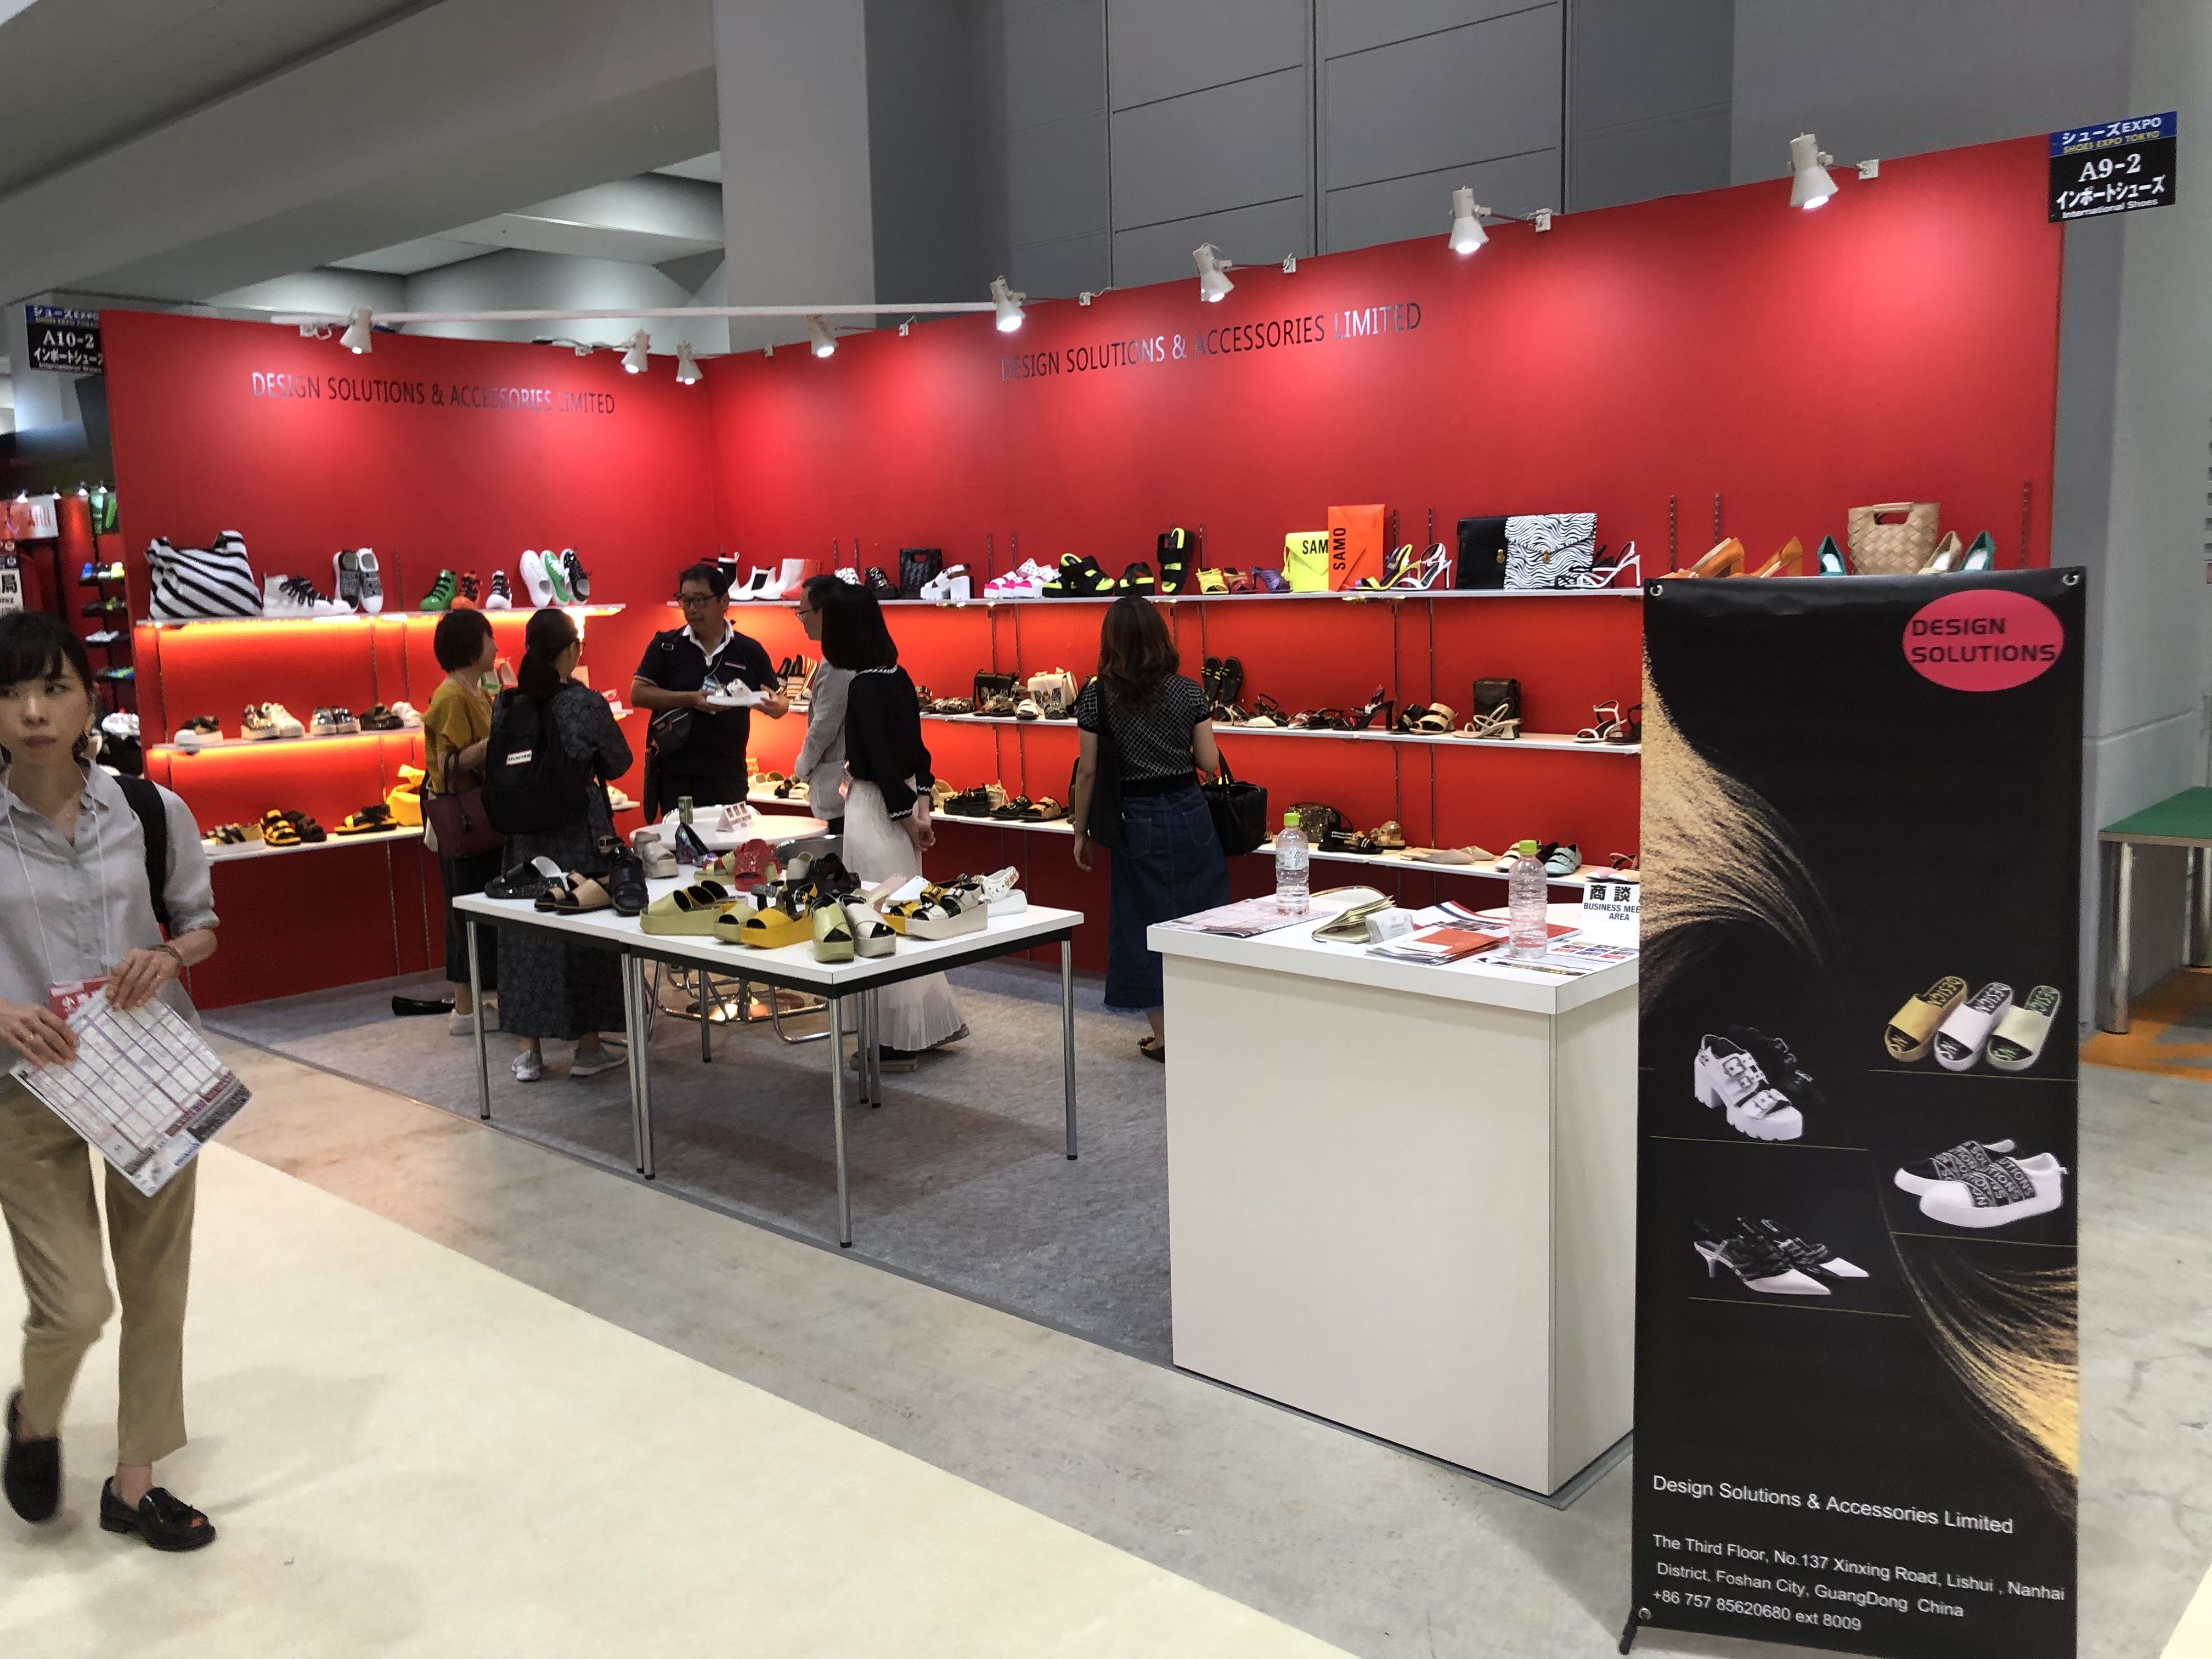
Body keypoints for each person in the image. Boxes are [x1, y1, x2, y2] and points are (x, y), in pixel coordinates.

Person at [0, 611, 221, 1549]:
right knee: (78, 1301)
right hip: (24, 1084)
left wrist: (167, 956)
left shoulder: (150, 810)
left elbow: (200, 925)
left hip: (147, 1072)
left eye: (53, 688)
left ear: (89, 700)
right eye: (11, 693)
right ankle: (34, 1416)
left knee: (157, 1281)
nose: (33, 712)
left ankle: (136, 1481)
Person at [1068, 595, 1228, 1063]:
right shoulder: (1188, 692)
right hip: (1190, 812)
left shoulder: (1096, 697)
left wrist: (1081, 832)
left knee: (1142, 922)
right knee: (1204, 918)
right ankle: (1209, 1024)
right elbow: (1209, 762)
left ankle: (1165, 1036)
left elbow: (1089, 772)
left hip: (1135, 817)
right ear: (1161, 637)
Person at [828, 591, 964, 1070]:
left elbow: (881, 767)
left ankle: (892, 1040)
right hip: (902, 804)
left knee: (874, 915)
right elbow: (917, 755)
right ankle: (922, 1024)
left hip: (874, 810)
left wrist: (909, 819)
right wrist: (921, 811)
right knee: (905, 913)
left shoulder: (863, 687)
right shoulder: (898, 677)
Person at [498, 608, 633, 1082]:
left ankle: (528, 1052)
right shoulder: (586, 703)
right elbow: (619, 761)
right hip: (578, 834)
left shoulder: (508, 703)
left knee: (527, 936)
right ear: (572, 650)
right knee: (584, 933)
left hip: (524, 840)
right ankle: (587, 1049)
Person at [630, 562, 787, 812]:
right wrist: (691, 699)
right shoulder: (666, 646)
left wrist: (775, 706)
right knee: (684, 835)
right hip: (676, 775)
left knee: (730, 837)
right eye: (685, 600)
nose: (692, 609)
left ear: (724, 601)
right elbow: (638, 694)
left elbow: (780, 703)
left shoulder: (749, 650)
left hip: (728, 774)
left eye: (701, 600)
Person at [421, 607, 501, 1035]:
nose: (496, 646)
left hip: (476, 817)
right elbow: (447, 766)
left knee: (473, 907)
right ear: (473, 646)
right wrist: (497, 741)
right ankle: (465, 1009)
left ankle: (471, 1005)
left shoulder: (475, 690)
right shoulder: (453, 695)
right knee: (465, 908)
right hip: (466, 818)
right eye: (489, 638)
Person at [790, 573, 856, 835]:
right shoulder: (851, 654)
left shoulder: (837, 664)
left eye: (803, 613)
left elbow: (823, 728)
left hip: (840, 786)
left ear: (823, 613)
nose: (801, 619)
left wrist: (802, 768)